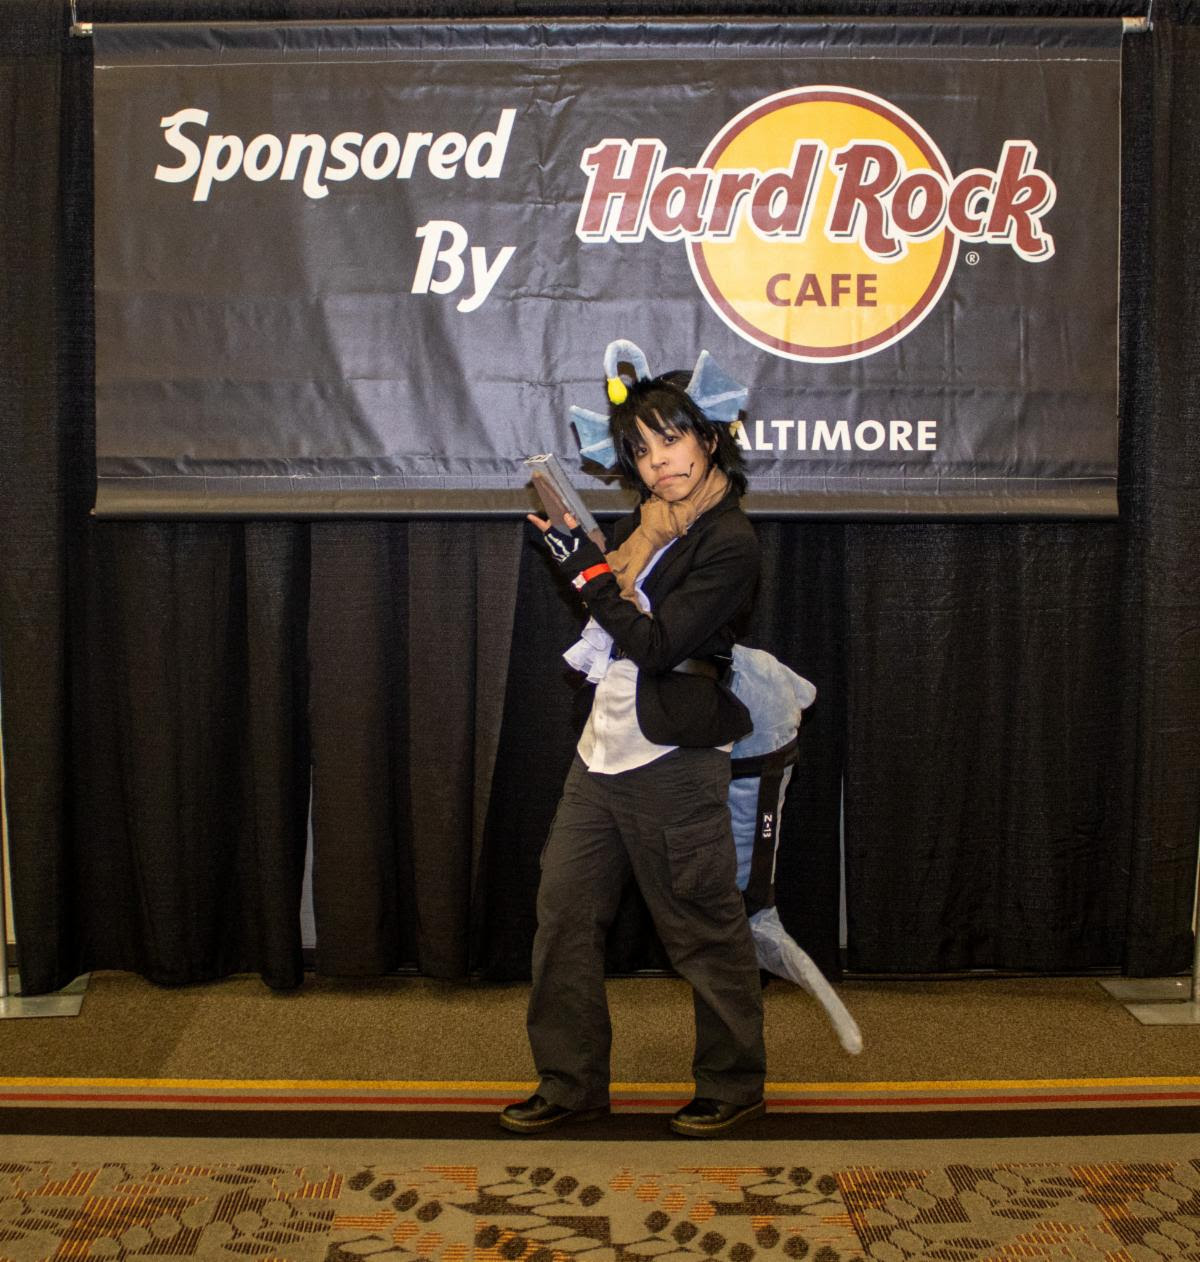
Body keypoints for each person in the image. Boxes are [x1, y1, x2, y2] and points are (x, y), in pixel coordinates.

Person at [500, 342, 767, 1138]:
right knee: (562, 915)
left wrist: (586, 576)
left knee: (702, 927)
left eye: (672, 440)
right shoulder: (643, 530)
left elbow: (655, 644)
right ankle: (571, 1082)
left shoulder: (730, 541)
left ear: (709, 439)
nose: (659, 462)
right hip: (602, 748)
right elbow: (615, 624)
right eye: (643, 451)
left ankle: (733, 1082)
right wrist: (587, 562)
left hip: (674, 758)